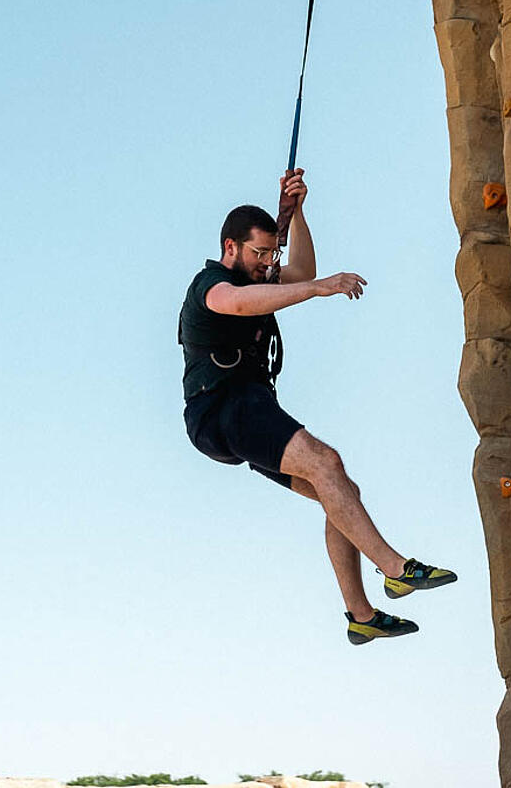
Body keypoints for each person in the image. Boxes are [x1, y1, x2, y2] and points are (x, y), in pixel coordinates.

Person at [178, 169, 457, 645]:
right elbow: (245, 302)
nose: (267, 262)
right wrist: (318, 289)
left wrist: (299, 212)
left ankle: (361, 616)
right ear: (231, 248)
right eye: (258, 253)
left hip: (247, 407)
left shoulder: (259, 275)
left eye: (272, 253)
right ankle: (394, 568)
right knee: (326, 462)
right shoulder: (212, 284)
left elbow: (301, 271)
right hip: (220, 407)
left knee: (338, 488)